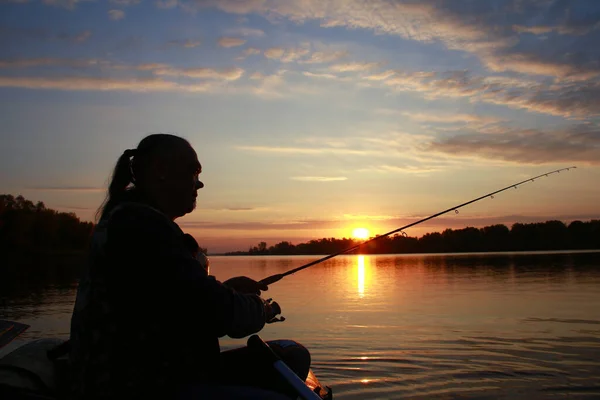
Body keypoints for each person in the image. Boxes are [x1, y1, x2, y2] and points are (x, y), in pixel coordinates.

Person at [69, 134, 311, 399]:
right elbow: (216, 314)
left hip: (165, 369)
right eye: (194, 172)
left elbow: (177, 303)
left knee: (293, 355)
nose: (200, 183)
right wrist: (260, 309)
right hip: (142, 384)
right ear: (161, 171)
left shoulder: (135, 220)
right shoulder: (141, 227)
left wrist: (225, 290)